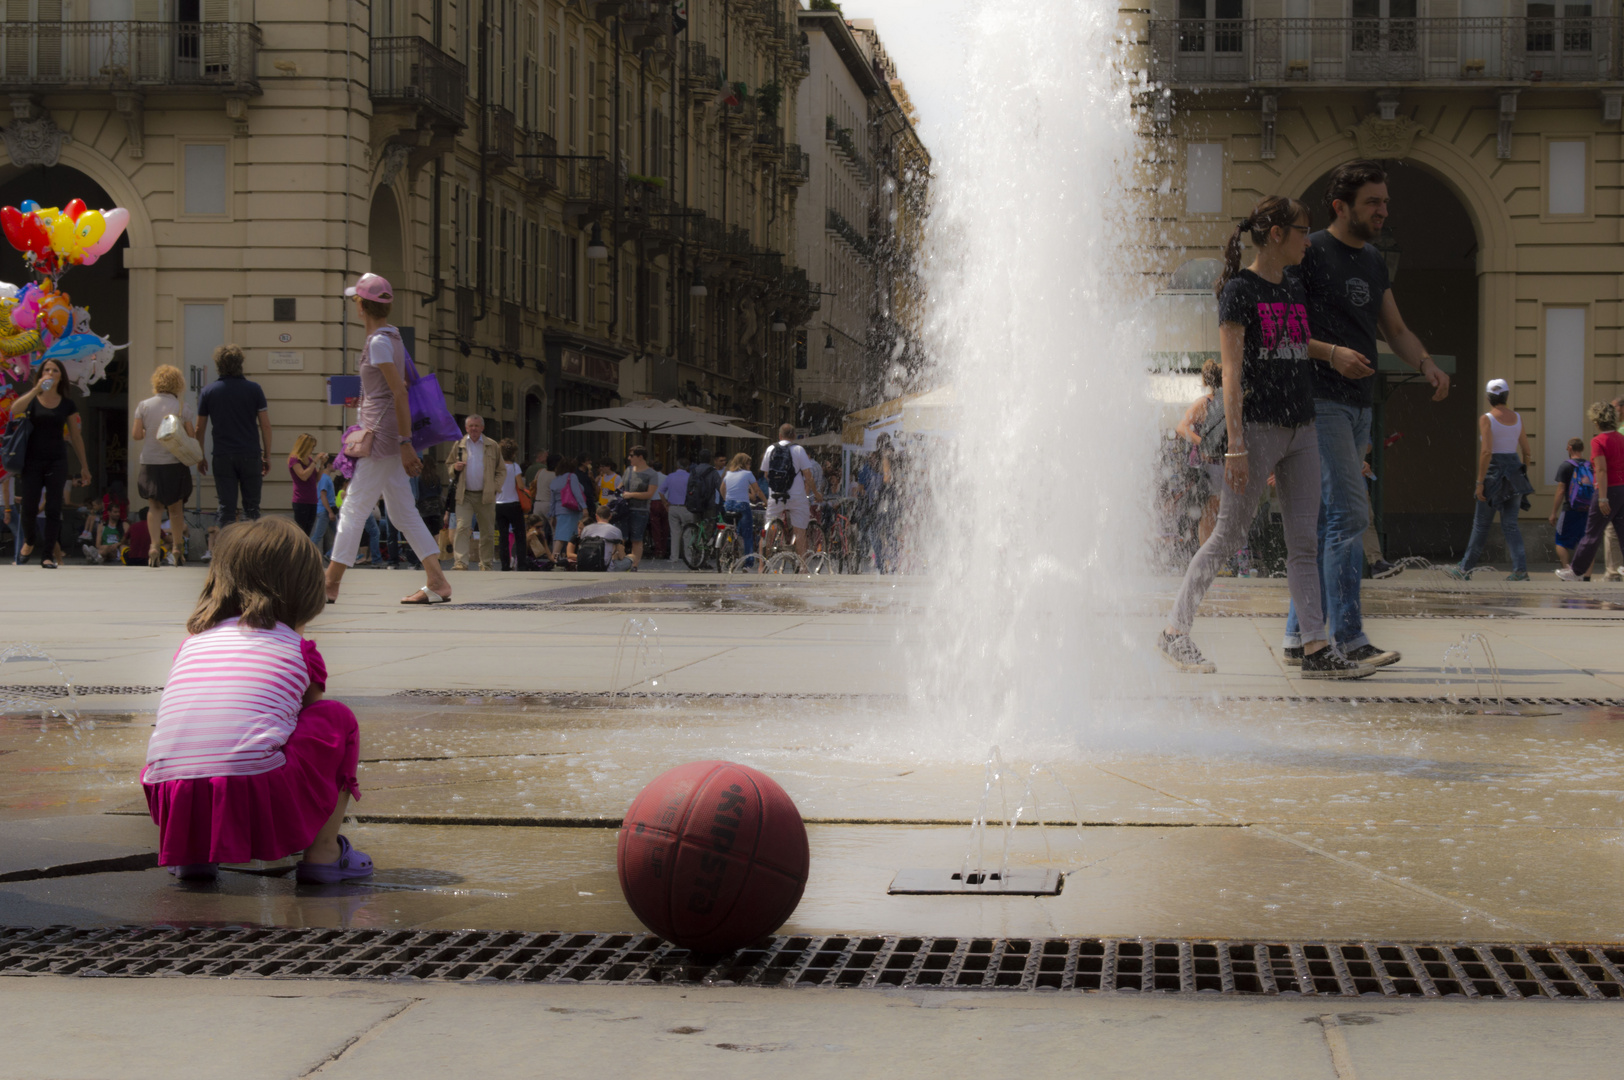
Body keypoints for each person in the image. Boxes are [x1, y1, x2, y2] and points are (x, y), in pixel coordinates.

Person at [1159, 195, 1375, 680]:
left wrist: (1332, 353)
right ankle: (1174, 631)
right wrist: (1234, 445)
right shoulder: (1238, 291)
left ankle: (1316, 647)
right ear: (1277, 234)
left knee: (1303, 542)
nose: (1308, 239)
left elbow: (1291, 341)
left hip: (1302, 427)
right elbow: (1231, 373)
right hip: (1256, 430)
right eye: (1303, 230)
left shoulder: (1293, 283)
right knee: (1227, 535)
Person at [1281, 160, 1449, 670]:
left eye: (1385, 201)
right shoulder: (1308, 253)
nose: (1383, 210)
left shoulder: (1375, 260)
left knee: (1336, 519)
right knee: (1350, 516)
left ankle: (1297, 635)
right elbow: (1284, 330)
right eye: (1373, 202)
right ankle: (1347, 639)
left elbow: (1394, 328)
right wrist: (1332, 353)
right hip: (1320, 401)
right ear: (1341, 206)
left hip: (1358, 407)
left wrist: (1424, 361)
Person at [141, 517, 373, 882]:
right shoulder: (298, 648)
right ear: (302, 585)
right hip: (253, 786)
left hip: (169, 789)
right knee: (336, 720)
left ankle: (194, 854)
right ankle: (324, 853)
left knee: (190, 738)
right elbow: (306, 719)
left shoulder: (191, 645)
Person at [324, 273, 453, 605]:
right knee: (402, 512)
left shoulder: (379, 342)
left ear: (360, 306)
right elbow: (391, 389)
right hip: (389, 435)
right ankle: (437, 580)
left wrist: (405, 442)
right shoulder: (391, 337)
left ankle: (329, 584)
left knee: (353, 508)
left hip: (382, 439)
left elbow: (399, 391)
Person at [8, 357, 92, 569]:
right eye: (47, 370)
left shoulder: (67, 404)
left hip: (57, 460)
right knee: (29, 506)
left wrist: (84, 466)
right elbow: (14, 409)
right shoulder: (34, 399)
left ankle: (47, 556)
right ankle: (29, 540)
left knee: (54, 508)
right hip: (32, 460)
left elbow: (75, 435)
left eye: (55, 370)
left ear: (61, 376)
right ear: (41, 374)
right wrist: (36, 389)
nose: (51, 373)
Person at [1448, 379, 1532, 581]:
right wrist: (1521, 474)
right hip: (1514, 470)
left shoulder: (1487, 418)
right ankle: (1520, 570)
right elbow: (1527, 452)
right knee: (1510, 525)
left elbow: (1486, 451)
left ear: (1488, 397)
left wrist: (1480, 483)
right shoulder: (1518, 417)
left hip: (1494, 471)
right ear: (1507, 396)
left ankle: (1465, 569)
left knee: (1481, 524)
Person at [195, 343, 272, 529]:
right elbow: (265, 426)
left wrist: (200, 456)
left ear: (218, 365)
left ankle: (225, 553)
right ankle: (251, 553)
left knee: (226, 508)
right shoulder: (254, 389)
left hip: (222, 455)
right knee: (252, 509)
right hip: (250, 454)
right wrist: (266, 455)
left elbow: (199, 428)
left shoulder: (208, 392)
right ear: (240, 364)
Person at [129, 363, 196, 567]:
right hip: (174, 462)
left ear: (156, 382)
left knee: (154, 507)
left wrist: (149, 432)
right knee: (176, 508)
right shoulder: (182, 407)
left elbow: (136, 434)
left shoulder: (144, 406)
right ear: (178, 384)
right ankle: (177, 548)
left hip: (150, 461)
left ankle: (154, 547)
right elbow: (191, 436)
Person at [1557, 402, 1624, 582]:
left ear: (1596, 421)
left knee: (1592, 532)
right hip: (1622, 488)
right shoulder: (1621, 438)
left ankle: (1576, 571)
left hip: (1607, 489)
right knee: (1622, 530)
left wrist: (1602, 498)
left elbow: (1601, 470)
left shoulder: (1598, 441)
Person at [1175, 358, 1225, 547]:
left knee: (1217, 512)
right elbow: (1181, 427)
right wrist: (1204, 443)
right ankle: (1207, 553)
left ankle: (1212, 554)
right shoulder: (1204, 403)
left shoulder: (1225, 403)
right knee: (1210, 511)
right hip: (1208, 467)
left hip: (1221, 465)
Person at [448, 413, 502, 571]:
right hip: (465, 494)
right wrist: (454, 468)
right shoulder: (459, 444)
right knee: (462, 527)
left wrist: (495, 487)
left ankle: (485, 563)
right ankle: (460, 562)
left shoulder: (492, 445)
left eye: (476, 426)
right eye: (470, 426)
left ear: (482, 428)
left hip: (486, 495)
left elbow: (501, 470)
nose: (473, 429)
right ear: (466, 428)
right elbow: (449, 465)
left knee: (487, 530)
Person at [761, 423, 817, 558]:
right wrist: (816, 493)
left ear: (779, 436)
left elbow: (766, 475)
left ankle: (762, 565)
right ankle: (803, 566)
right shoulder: (799, 450)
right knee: (800, 531)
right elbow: (808, 475)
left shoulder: (770, 449)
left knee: (768, 529)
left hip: (776, 495)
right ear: (793, 436)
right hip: (796, 496)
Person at [1550, 437, 1592, 573]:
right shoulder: (1590, 466)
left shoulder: (1566, 466)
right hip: (1588, 510)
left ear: (1569, 448)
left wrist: (1553, 512)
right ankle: (1587, 576)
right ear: (1583, 449)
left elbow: (1561, 490)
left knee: (1560, 541)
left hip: (1570, 509)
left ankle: (1567, 569)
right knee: (1585, 543)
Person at [620, 445, 658, 569]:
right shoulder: (628, 470)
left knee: (636, 538)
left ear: (640, 457)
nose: (629, 458)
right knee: (622, 538)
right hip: (624, 508)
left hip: (640, 510)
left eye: (632, 456)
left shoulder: (651, 473)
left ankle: (634, 565)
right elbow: (620, 487)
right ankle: (621, 562)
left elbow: (649, 494)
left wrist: (631, 494)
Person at [720, 451, 764, 557]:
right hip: (742, 505)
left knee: (733, 526)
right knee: (747, 534)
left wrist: (727, 499)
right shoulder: (748, 474)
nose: (750, 466)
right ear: (744, 464)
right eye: (748, 464)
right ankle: (748, 562)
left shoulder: (728, 474)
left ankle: (732, 543)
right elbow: (757, 490)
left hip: (728, 506)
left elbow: (722, 489)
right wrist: (766, 502)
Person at [549, 455, 588, 566]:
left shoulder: (555, 480)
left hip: (559, 511)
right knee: (575, 535)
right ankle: (573, 556)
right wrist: (584, 507)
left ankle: (555, 557)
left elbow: (552, 500)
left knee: (560, 536)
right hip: (572, 510)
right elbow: (577, 493)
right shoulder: (572, 477)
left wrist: (552, 515)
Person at [494, 437, 526, 571]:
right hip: (513, 503)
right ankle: (522, 564)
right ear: (513, 453)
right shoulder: (515, 467)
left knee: (503, 536)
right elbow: (520, 485)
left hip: (499, 504)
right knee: (520, 535)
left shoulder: (496, 467)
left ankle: (505, 565)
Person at [577, 503, 634, 571]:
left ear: (596, 516)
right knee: (632, 557)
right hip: (605, 568)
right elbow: (621, 556)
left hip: (585, 565)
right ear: (610, 516)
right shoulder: (615, 530)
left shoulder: (586, 529)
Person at [288, 433, 325, 537]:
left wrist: (321, 465)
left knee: (308, 532)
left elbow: (316, 478)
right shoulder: (294, 459)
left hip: (312, 500)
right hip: (301, 500)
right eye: (312, 446)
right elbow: (303, 476)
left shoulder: (309, 460)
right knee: (301, 532)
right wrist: (315, 461)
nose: (313, 449)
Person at [661, 456, 694, 560]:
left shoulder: (670, 476)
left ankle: (674, 557)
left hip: (673, 507)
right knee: (687, 533)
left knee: (675, 533)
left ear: (677, 466)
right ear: (687, 467)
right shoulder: (690, 477)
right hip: (687, 508)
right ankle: (688, 557)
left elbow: (661, 491)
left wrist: (665, 503)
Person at [309, 459, 339, 557]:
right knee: (318, 536)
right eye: (335, 464)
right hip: (325, 511)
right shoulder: (324, 478)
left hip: (328, 510)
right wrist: (330, 512)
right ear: (329, 464)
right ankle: (306, 554)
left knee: (339, 534)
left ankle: (329, 554)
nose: (337, 466)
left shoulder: (327, 478)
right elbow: (323, 496)